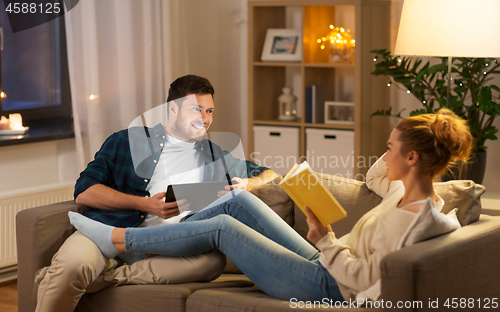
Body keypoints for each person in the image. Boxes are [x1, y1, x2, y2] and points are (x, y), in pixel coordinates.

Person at [69, 108, 473, 303]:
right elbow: (376, 178)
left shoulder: (413, 220)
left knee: (224, 230)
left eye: (390, 149)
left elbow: (364, 281)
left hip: (329, 286)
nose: (382, 157)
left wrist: (327, 240)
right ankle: (133, 231)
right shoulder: (409, 193)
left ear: (413, 159)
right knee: (238, 198)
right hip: (325, 262)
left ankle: (120, 239)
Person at [35, 74, 279, 312]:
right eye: (196, 109)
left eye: (209, 111)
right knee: (71, 268)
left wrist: (248, 184)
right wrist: (145, 205)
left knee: (212, 262)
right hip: (107, 232)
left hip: (165, 248)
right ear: (172, 109)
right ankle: (71, 275)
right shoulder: (127, 140)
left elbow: (270, 174)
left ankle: (104, 278)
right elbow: (84, 192)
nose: (204, 119)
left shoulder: (215, 156)